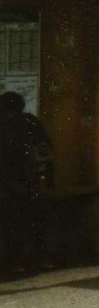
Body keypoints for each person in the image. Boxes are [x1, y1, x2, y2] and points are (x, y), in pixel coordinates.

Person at [0, 92, 53, 274]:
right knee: (35, 220)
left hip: (15, 182)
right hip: (29, 180)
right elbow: (45, 148)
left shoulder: (10, 125)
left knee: (15, 223)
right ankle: (37, 258)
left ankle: (17, 261)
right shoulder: (29, 121)